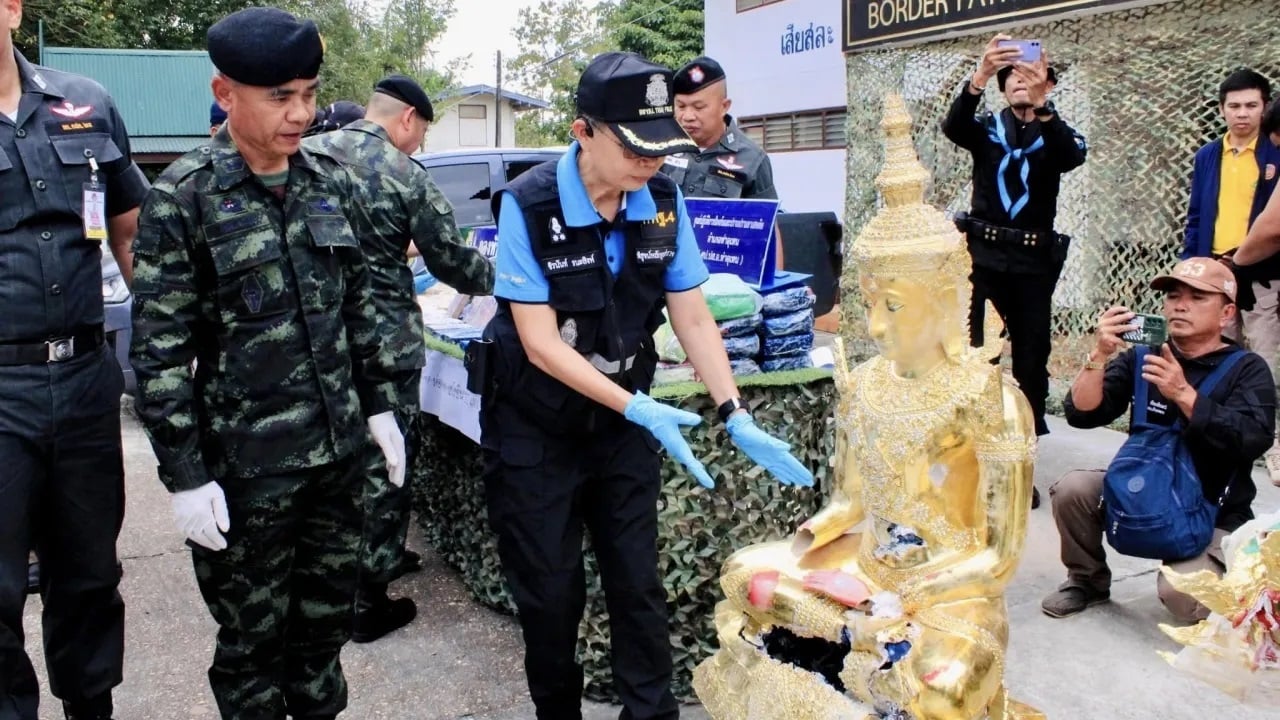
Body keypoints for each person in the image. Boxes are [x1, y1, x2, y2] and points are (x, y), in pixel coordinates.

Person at [479, 51, 813, 720]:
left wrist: (733, 408)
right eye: (636, 147)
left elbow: (689, 309)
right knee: (550, 594)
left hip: (624, 428)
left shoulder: (663, 199)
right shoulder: (529, 205)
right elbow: (541, 344)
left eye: (662, 146)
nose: (651, 162)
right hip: (535, 426)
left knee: (637, 583)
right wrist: (638, 404)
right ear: (583, 131)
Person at [129, 8, 403, 719]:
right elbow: (159, 353)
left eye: (309, 93)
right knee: (253, 651)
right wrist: (185, 476)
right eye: (281, 97)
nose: (301, 113)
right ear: (226, 94)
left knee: (321, 639)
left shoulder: (329, 179)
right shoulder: (182, 197)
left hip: (336, 463)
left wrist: (378, 406)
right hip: (249, 475)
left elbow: (357, 308)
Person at [304, 74, 495, 643]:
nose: (421, 145)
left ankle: (335, 577)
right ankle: (368, 598)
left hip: (310, 342)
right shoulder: (400, 172)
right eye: (423, 132)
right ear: (408, 118)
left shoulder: (306, 155)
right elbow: (454, 263)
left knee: (330, 460)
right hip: (383, 342)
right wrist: (506, 278)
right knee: (387, 462)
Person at [0, 0, 150, 716]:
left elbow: (131, 233)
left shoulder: (86, 103)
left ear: (11, 7)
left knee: (89, 576)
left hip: (87, 383)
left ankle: (92, 708)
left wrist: (170, 335)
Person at [1042, 258, 1274, 621]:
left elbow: (1253, 439)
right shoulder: (1143, 356)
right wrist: (1099, 355)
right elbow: (1082, 414)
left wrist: (1183, 394)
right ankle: (1086, 580)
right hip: (1145, 489)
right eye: (1173, 295)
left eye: (1198, 297)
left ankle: (1238, 572)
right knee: (1074, 489)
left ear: (1227, 313)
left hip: (1211, 512)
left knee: (1184, 599)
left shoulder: (1248, 369)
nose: (1180, 305)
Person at [943, 34, 1087, 509]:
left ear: (1046, 84)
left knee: (1030, 366)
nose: (1021, 84)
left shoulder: (1056, 132)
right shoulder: (985, 129)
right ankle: (977, 463)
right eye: (1013, 78)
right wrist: (980, 73)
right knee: (979, 363)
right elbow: (954, 125)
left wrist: (1045, 105)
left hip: (1031, 268)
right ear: (1002, 88)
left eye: (1031, 76)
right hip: (982, 261)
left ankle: (1021, 465)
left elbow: (1071, 156)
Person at [664, 55, 776, 200]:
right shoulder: (663, 147)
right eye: (681, 106)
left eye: (699, 107)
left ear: (724, 107)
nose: (688, 116)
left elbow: (766, 219)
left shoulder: (753, 158)